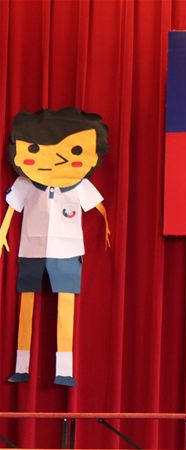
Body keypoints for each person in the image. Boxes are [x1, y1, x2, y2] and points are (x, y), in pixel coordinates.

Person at [0, 108, 111, 387]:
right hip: (31, 250)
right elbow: (12, 208)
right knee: (26, 306)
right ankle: (21, 367)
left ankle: (64, 370)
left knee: (66, 307)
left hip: (68, 251)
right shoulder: (25, 182)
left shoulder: (79, 185)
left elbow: (98, 207)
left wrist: (106, 225)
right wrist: (2, 233)